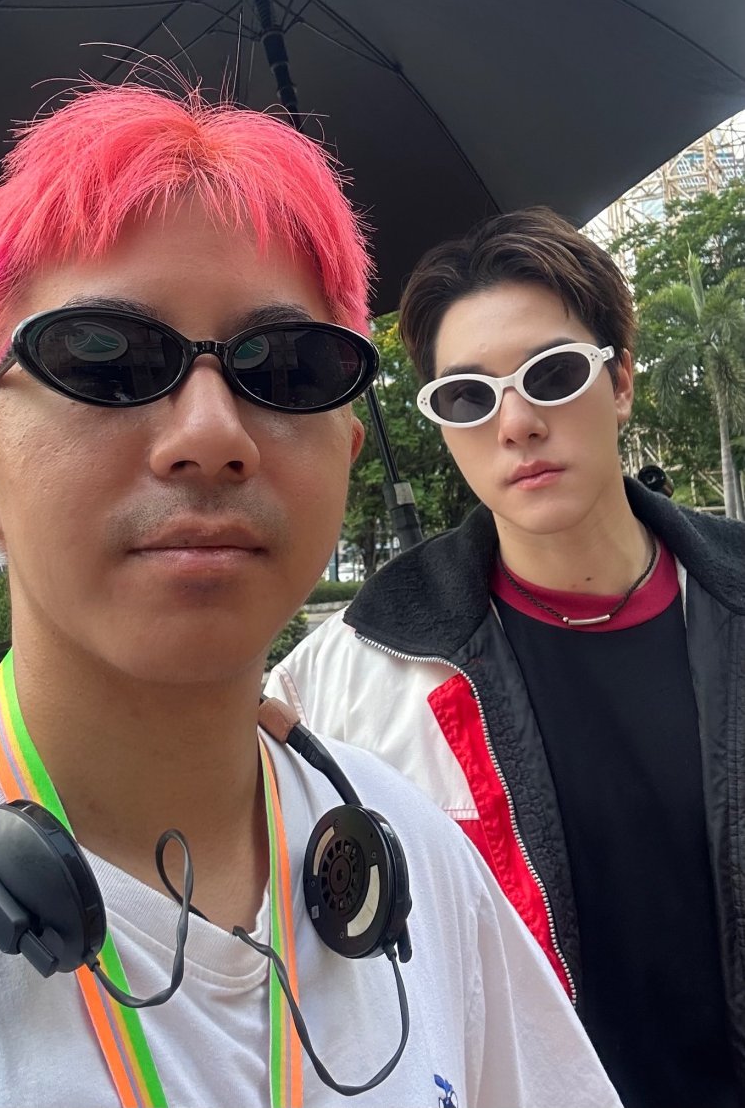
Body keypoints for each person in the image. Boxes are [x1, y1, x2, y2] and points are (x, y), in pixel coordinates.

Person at [0, 93, 619, 1108]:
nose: (212, 434)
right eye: (107, 359)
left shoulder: (420, 859)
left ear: (346, 454)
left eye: (287, 370)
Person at [267, 206, 745, 1108]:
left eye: (552, 374)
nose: (516, 423)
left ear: (620, 382)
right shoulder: (349, 679)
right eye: (468, 396)